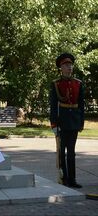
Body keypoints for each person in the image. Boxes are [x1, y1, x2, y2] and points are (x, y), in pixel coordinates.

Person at [50, 53, 84, 188]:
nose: (69, 68)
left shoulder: (78, 83)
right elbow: (53, 105)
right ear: (61, 68)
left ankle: (72, 179)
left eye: (70, 65)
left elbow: (81, 105)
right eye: (66, 65)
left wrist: (81, 122)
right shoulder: (56, 84)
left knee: (71, 152)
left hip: (74, 121)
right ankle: (63, 178)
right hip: (62, 122)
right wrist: (53, 123)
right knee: (61, 152)